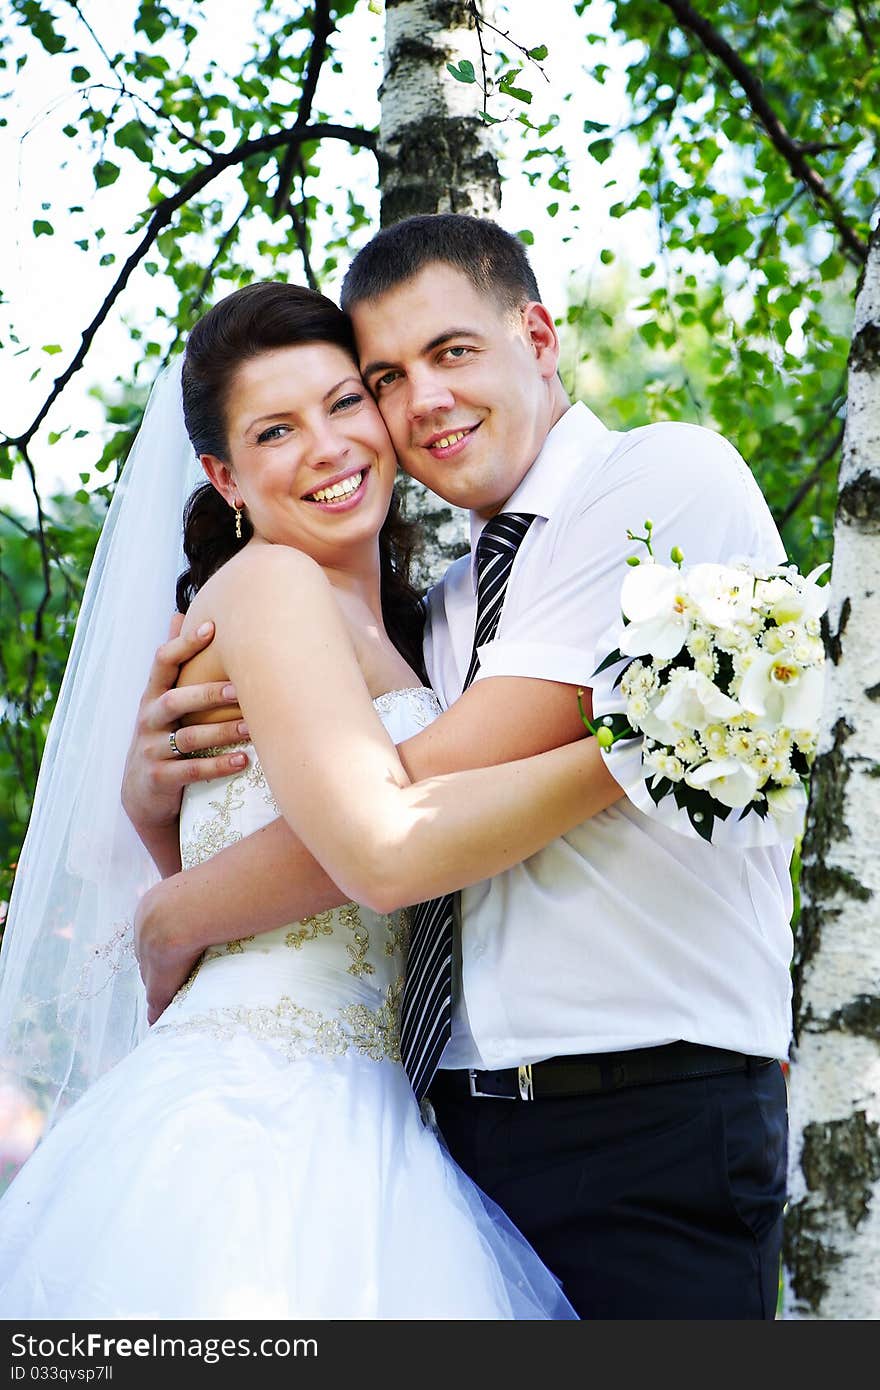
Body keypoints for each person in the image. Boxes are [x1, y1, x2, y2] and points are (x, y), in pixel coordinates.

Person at [122, 216, 795, 1321]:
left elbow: (402, 810)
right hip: (449, 1137)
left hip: (649, 1118)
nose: (419, 401)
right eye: (385, 375)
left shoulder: (658, 479)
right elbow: (349, 814)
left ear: (537, 335)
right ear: (223, 473)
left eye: (451, 352)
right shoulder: (435, 612)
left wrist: (175, 911)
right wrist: (155, 800)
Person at [0, 280, 631, 1319]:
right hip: (262, 1115)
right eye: (277, 429)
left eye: (346, 403)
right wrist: (637, 753)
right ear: (223, 475)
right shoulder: (271, 585)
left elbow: (244, 849)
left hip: (380, 1109)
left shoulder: (413, 622)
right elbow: (372, 857)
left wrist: (164, 848)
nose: (331, 446)